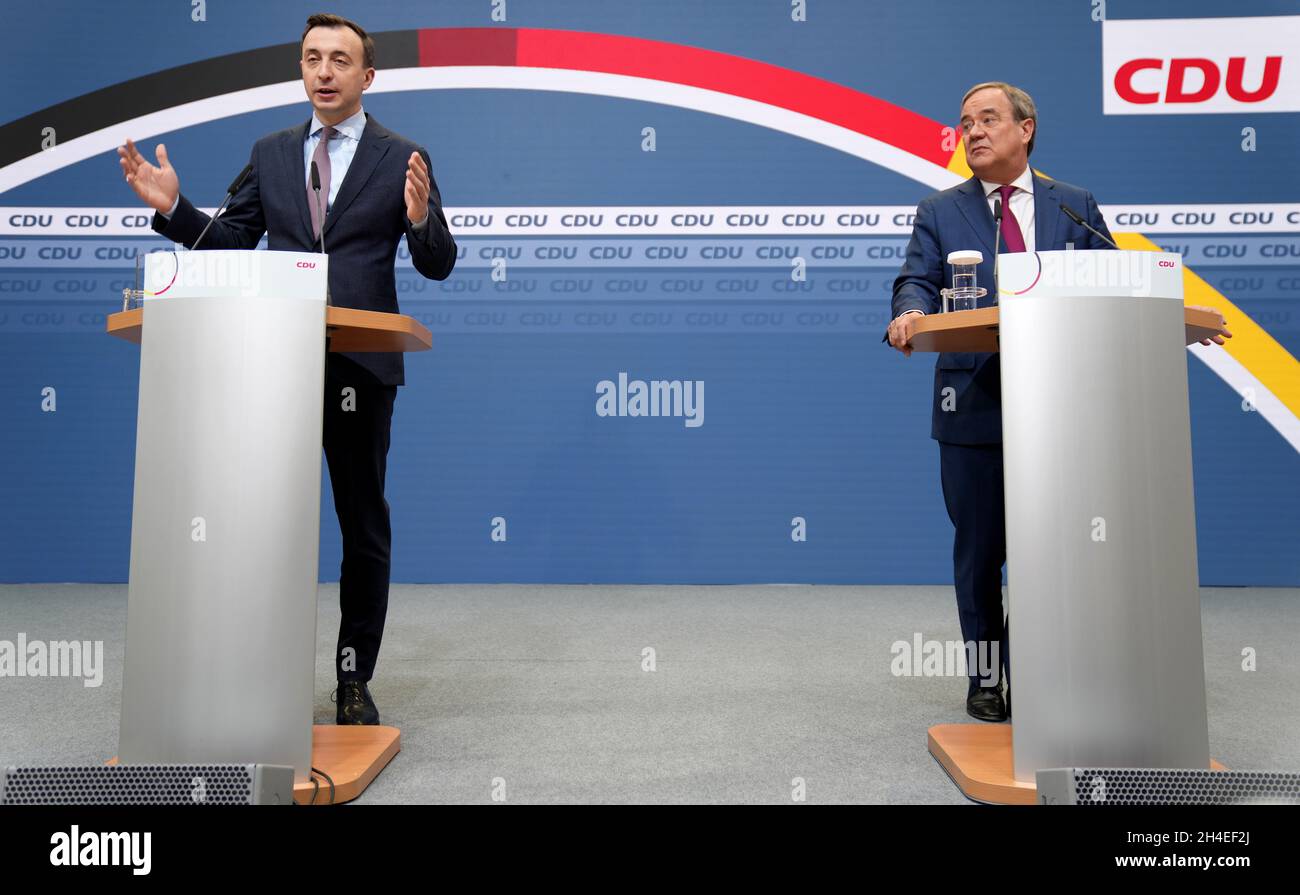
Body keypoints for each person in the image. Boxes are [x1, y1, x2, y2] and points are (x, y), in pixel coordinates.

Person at [118, 13, 457, 725]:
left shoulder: (403, 157)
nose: (324, 71)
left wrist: (423, 219)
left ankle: (352, 678)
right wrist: (176, 208)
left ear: (367, 76)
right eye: (312, 58)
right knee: (260, 522)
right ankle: (251, 675)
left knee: (361, 524)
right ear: (301, 70)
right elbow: (233, 238)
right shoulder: (271, 153)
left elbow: (438, 263)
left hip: (360, 367)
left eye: (340, 59)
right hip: (272, 364)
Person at [886, 81, 1228, 722]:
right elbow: (915, 282)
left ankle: (1048, 674)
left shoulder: (1074, 206)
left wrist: (1168, 319)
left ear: (1027, 129)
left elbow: (1118, 283)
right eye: (965, 123)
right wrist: (909, 313)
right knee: (982, 553)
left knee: (1061, 551)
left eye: (989, 119)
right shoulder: (940, 209)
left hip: (1066, 407)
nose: (974, 131)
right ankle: (987, 679)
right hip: (975, 405)